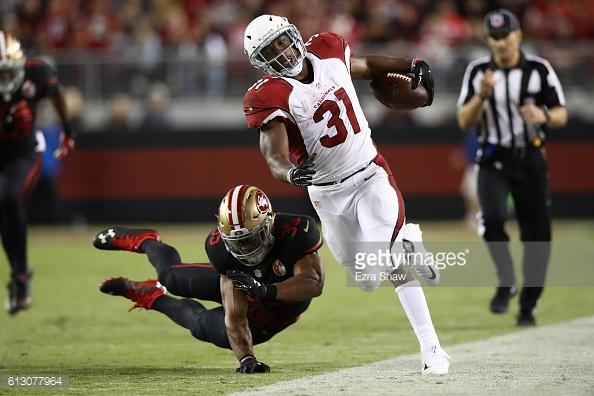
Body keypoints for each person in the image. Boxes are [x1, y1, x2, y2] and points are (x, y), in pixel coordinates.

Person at [242, 15, 450, 374]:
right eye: (270, 50)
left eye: (282, 41)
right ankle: (409, 239)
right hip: (325, 193)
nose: (281, 51)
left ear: (294, 35)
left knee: (386, 257)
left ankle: (432, 349)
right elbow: (273, 155)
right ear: (261, 61)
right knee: (367, 279)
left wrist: (410, 63)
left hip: (369, 174)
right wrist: (289, 172)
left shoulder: (327, 49)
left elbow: (367, 65)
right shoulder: (269, 95)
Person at [93, 185, 324, 373]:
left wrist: (266, 291)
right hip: (242, 283)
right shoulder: (221, 250)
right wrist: (246, 358)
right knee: (171, 276)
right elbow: (234, 316)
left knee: (201, 324)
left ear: (268, 224)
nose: (243, 248)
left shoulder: (296, 230)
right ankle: (146, 240)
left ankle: (152, 296)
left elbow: (313, 283)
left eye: (250, 240)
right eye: (236, 242)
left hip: (270, 313)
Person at [456, 9, 567, 326]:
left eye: (506, 35)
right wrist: (482, 96)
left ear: (518, 35)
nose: (502, 43)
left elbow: (561, 114)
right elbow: (464, 120)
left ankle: (528, 306)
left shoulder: (538, 69)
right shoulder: (478, 72)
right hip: (493, 158)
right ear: (487, 40)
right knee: (491, 218)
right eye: (495, 37)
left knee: (537, 235)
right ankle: (507, 278)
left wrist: (543, 116)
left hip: (530, 159)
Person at [1, 31, 75, 315]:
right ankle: (19, 277)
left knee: (8, 198)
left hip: (25, 152)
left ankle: (20, 276)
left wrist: (68, 130)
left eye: (9, 72)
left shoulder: (37, 72)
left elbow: (57, 94)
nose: (6, 80)